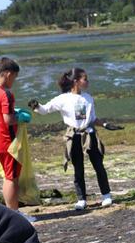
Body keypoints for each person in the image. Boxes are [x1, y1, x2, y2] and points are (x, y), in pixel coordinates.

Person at [29, 68, 112, 211]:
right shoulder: (63, 99)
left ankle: (106, 195)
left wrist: (105, 124)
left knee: (99, 165)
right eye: (85, 79)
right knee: (78, 168)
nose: (87, 81)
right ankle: (81, 199)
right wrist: (35, 106)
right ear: (76, 81)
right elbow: (45, 110)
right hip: (73, 136)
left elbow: (92, 119)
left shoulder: (88, 98)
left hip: (89, 134)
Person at [0, 57, 34, 219]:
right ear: (8, 74)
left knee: (8, 176)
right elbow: (8, 120)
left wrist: (13, 112)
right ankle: (15, 214)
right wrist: (20, 117)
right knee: (12, 178)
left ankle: (12, 212)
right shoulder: (6, 94)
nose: (14, 81)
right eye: (14, 77)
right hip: (9, 142)